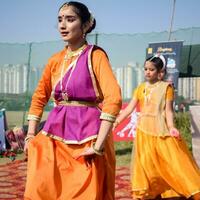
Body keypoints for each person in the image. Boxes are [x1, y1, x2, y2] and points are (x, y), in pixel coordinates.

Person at [24, 2, 122, 200]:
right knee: (43, 186)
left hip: (89, 135)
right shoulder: (55, 60)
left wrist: (98, 146)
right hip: (55, 132)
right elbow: (39, 96)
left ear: (85, 25)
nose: (63, 25)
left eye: (70, 20)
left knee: (85, 192)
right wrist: (30, 135)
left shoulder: (95, 55)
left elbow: (114, 98)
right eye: (60, 20)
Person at [114, 54, 200, 200]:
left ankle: (188, 188)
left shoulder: (167, 88)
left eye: (151, 69)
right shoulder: (140, 88)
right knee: (146, 164)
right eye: (145, 69)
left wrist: (171, 126)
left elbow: (168, 110)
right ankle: (152, 191)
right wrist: (116, 122)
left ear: (160, 71)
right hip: (143, 132)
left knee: (170, 161)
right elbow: (129, 109)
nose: (147, 72)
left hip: (160, 130)